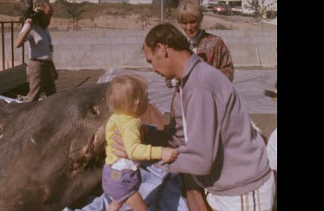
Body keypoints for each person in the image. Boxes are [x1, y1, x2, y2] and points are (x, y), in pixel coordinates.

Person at [112, 23, 276, 210]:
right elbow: (179, 137)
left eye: (151, 61)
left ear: (162, 49)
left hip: (242, 191)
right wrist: (143, 135)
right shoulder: (188, 83)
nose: (153, 69)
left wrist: (140, 155)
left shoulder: (200, 85)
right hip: (224, 187)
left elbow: (200, 161)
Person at [103, 74, 179, 211]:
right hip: (123, 178)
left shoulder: (115, 118)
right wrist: (161, 152)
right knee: (141, 208)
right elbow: (134, 151)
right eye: (147, 99)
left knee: (116, 203)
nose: (148, 101)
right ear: (138, 103)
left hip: (110, 174)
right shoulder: (131, 124)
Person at [176, 0, 234, 82]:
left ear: (201, 19)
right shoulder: (177, 44)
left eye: (192, 22)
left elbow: (229, 74)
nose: (189, 27)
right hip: (184, 94)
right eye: (184, 23)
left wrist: (207, 74)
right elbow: (168, 80)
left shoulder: (216, 43)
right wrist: (177, 78)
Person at [15, 1, 58, 102]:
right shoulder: (31, 26)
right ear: (40, 14)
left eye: (51, 16)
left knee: (52, 96)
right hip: (37, 66)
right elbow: (17, 44)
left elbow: (48, 51)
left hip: (48, 65)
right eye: (48, 15)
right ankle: (27, 116)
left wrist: (53, 69)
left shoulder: (45, 29)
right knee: (34, 96)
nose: (49, 19)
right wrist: (28, 28)